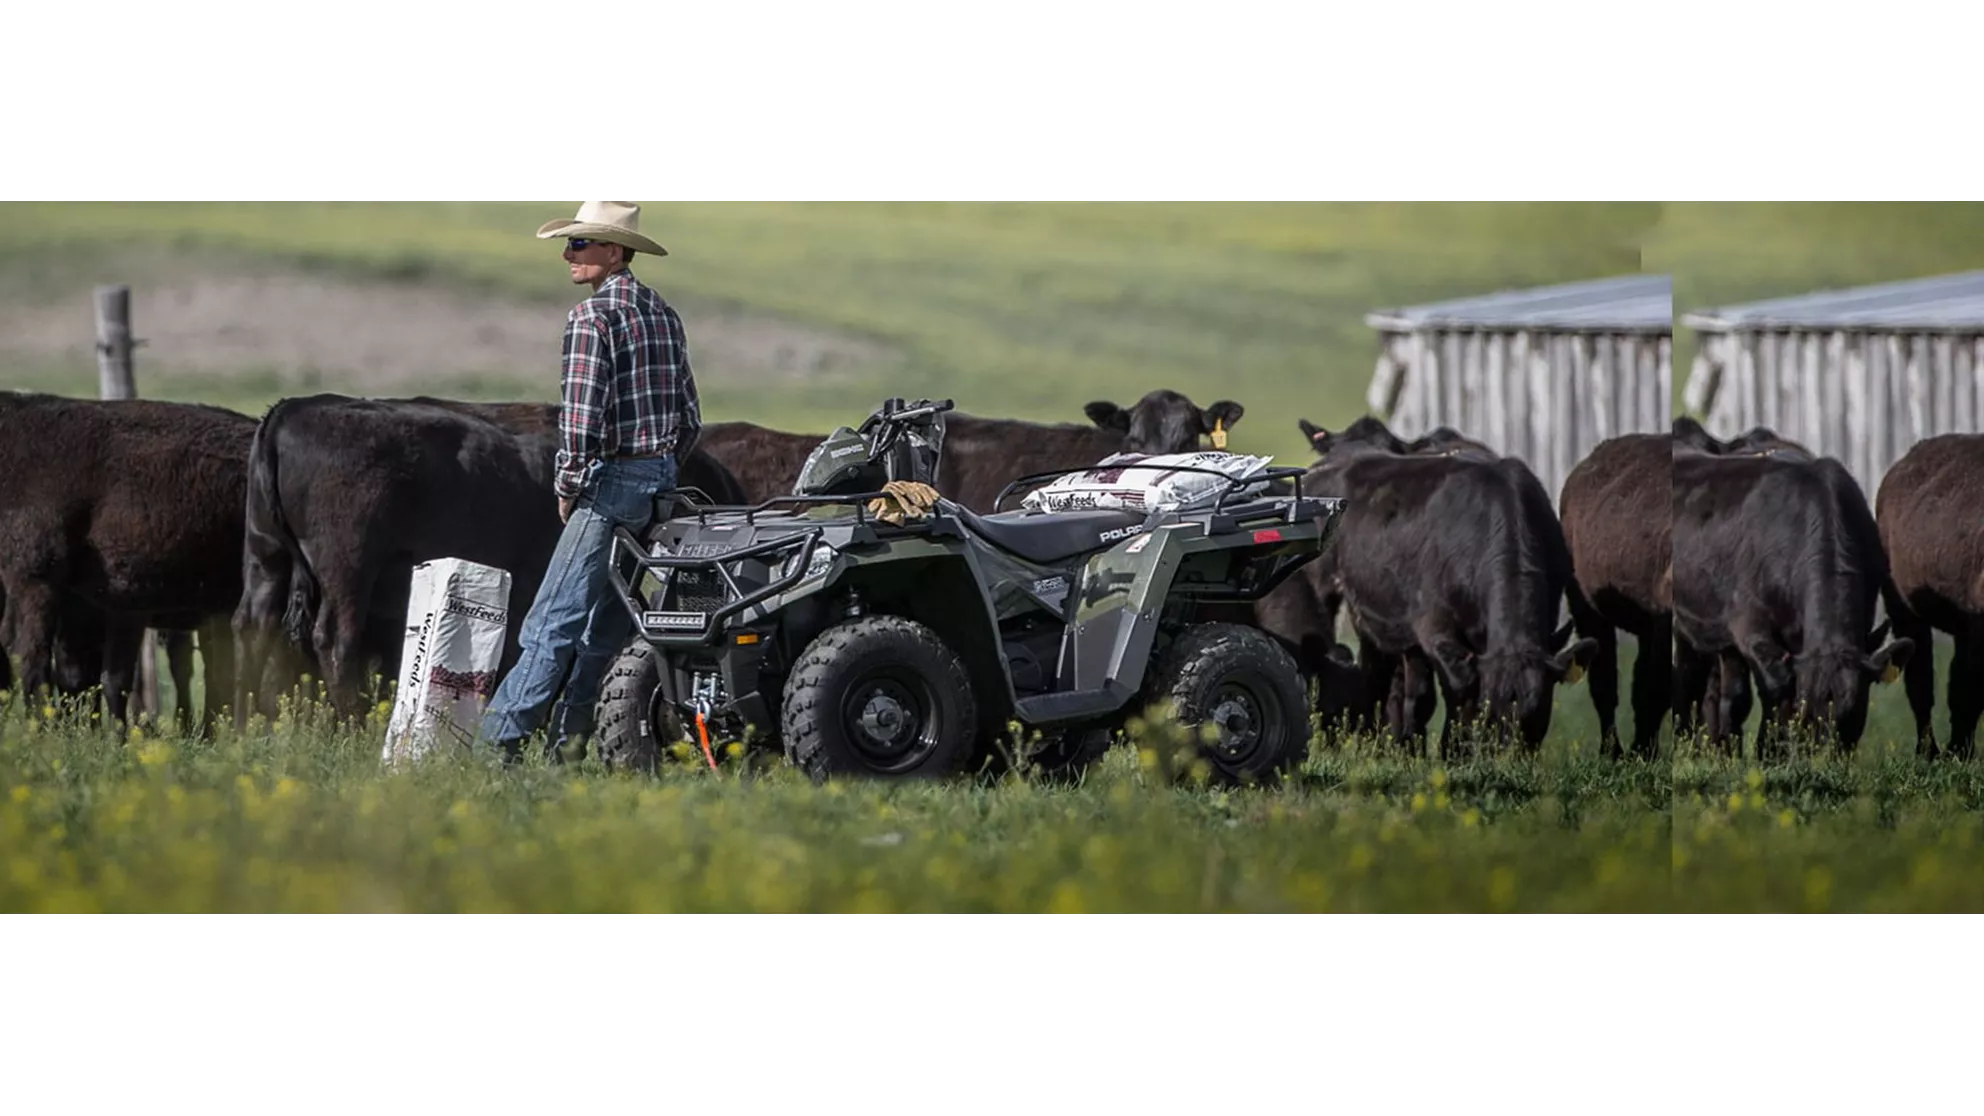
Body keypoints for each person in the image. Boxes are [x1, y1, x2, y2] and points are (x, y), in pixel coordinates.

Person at [478, 201, 702, 764]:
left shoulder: (591, 319)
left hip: (610, 484)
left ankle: (497, 747)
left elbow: (579, 419)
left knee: (552, 621)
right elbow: (690, 415)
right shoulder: (663, 313)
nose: (568, 254)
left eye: (579, 244)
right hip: (659, 485)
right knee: (605, 627)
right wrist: (662, 467)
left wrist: (569, 483)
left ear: (613, 251)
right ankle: (570, 748)